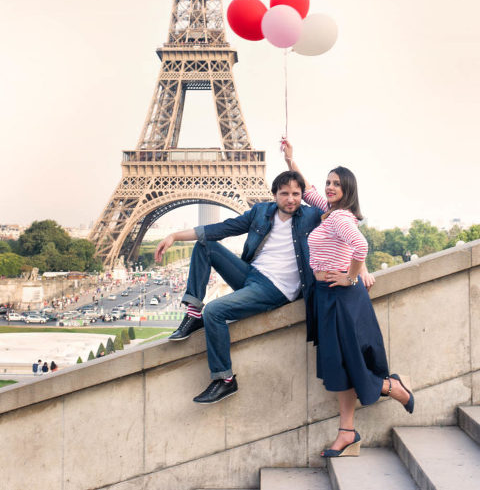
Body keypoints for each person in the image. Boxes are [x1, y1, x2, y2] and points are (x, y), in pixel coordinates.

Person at [282, 140, 414, 458]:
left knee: (347, 361)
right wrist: (290, 160)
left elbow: (361, 247)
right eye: (328, 182)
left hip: (342, 296)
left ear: (347, 189)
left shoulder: (340, 218)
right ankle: (347, 431)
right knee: (339, 366)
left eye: (336, 184)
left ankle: (389, 387)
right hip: (329, 297)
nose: (328, 187)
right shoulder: (328, 212)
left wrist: (352, 275)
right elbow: (308, 187)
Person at [155, 170, 328, 405]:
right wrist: (174, 236)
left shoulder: (311, 216)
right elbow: (221, 228)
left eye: (296, 194)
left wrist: (291, 161)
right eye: (285, 193)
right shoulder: (260, 212)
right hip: (251, 275)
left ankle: (224, 380)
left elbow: (343, 218)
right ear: (274, 194)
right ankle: (193, 313)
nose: (291, 199)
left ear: (302, 195)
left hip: (275, 289)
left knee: (215, 311)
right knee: (205, 246)